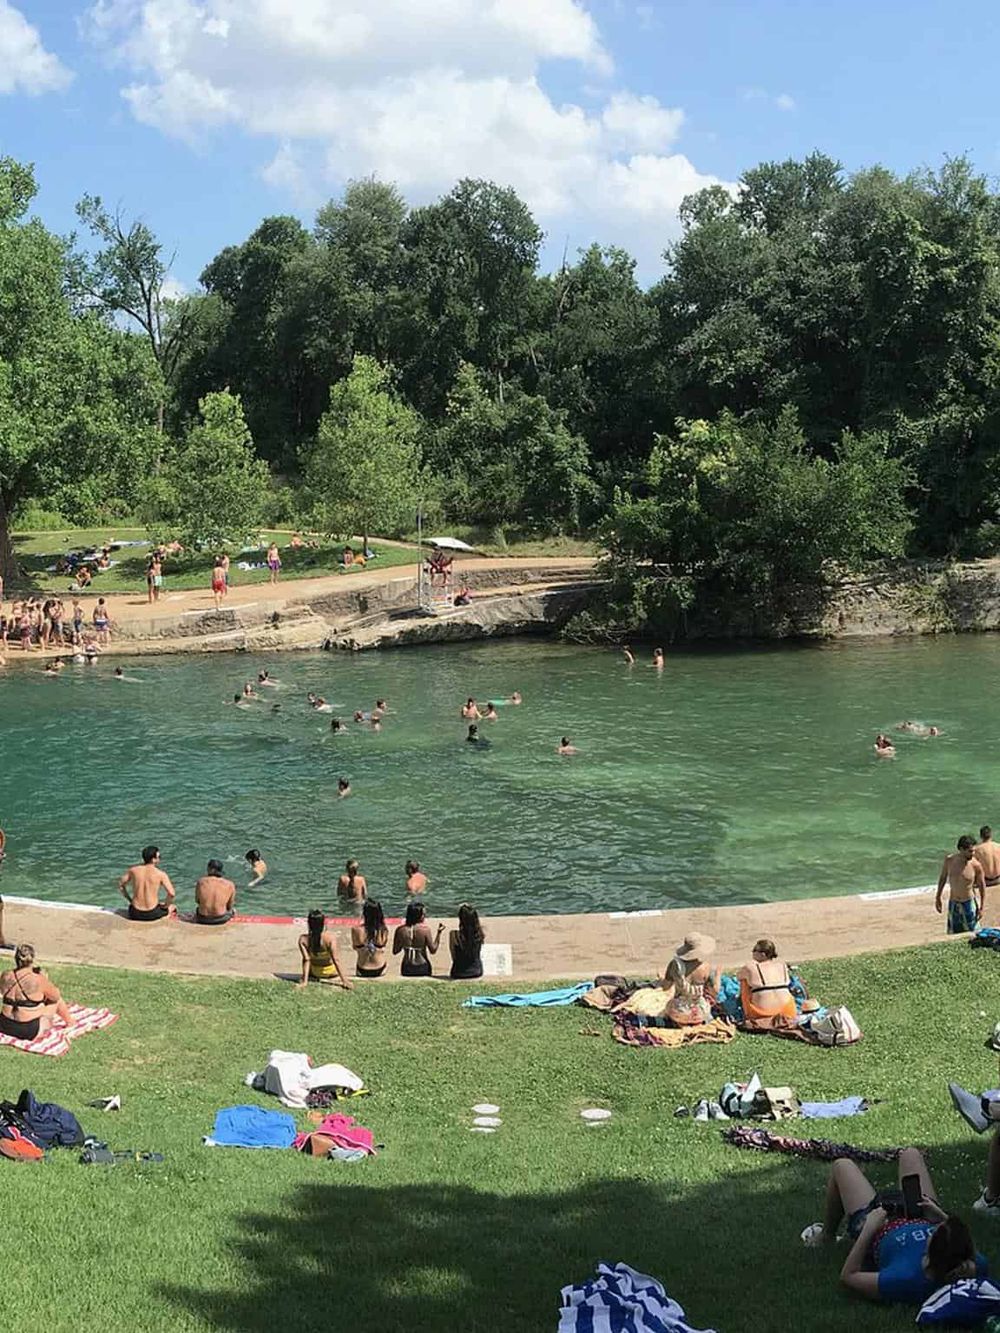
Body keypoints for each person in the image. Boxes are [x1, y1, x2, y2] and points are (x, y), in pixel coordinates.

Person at [802, 1147, 986, 1305]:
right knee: (910, 1154)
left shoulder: (905, 1279)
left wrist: (869, 1228)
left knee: (842, 1165)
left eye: (935, 1232)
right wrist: (939, 1216)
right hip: (918, 1211)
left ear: (929, 1255)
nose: (935, 1228)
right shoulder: (968, 1264)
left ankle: (826, 1236)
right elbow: (965, 1245)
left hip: (880, 1225)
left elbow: (848, 1277)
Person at [0, 944, 73, 1040]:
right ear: (32, 959)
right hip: (29, 1030)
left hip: (5, 1025)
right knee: (56, 1001)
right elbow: (55, 996)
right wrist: (46, 979)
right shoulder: (38, 979)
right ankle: (71, 1022)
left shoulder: (6, 976)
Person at [661, 933, 718, 1025]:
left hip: (679, 1012)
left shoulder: (674, 965)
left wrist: (664, 978)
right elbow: (715, 991)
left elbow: (665, 987)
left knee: (668, 1005)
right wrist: (718, 974)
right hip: (700, 1013)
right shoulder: (706, 967)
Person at [738, 938, 797, 1023]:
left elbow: (738, 976)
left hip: (762, 1013)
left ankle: (746, 1011)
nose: (752, 952)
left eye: (754, 950)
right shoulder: (782, 965)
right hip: (788, 1011)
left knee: (744, 981)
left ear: (763, 954)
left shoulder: (750, 967)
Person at [936, 834, 986, 933]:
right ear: (961, 849)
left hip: (968, 902)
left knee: (973, 932)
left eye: (974, 851)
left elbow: (982, 886)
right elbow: (943, 878)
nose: (973, 854)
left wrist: (981, 908)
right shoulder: (949, 860)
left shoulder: (976, 865)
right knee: (953, 933)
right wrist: (938, 897)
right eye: (970, 851)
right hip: (953, 902)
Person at [296, 909, 351, 989]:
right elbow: (336, 960)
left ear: (309, 924)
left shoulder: (303, 940)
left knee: (310, 959)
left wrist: (305, 982)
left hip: (315, 972)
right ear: (322, 923)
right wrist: (345, 981)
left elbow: (306, 960)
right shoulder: (330, 938)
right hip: (332, 973)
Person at [118, 845, 176, 921]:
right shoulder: (160, 874)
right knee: (173, 907)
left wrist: (130, 899)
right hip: (152, 913)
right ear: (153, 860)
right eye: (159, 857)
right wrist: (166, 905)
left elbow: (121, 885)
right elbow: (172, 893)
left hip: (134, 913)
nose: (160, 859)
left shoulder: (133, 870)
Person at [393, 900, 444, 977]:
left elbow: (395, 951)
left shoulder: (400, 930)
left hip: (407, 967)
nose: (424, 916)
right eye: (423, 914)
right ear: (419, 916)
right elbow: (433, 950)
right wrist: (439, 933)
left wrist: (406, 943)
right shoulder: (425, 930)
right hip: (422, 966)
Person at [351, 900, 388, 978]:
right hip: (380, 968)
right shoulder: (383, 930)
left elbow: (354, 947)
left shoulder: (356, 930)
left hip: (362, 969)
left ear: (365, 913)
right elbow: (384, 946)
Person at [194, 859, 236, 925]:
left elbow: (197, 900)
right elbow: (229, 907)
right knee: (233, 911)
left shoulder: (201, 882)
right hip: (221, 919)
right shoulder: (230, 884)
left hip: (202, 918)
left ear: (211, 869)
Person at [449, 904, 484, 980]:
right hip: (476, 971)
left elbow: (453, 957)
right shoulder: (479, 934)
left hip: (458, 972)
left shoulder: (454, 935)